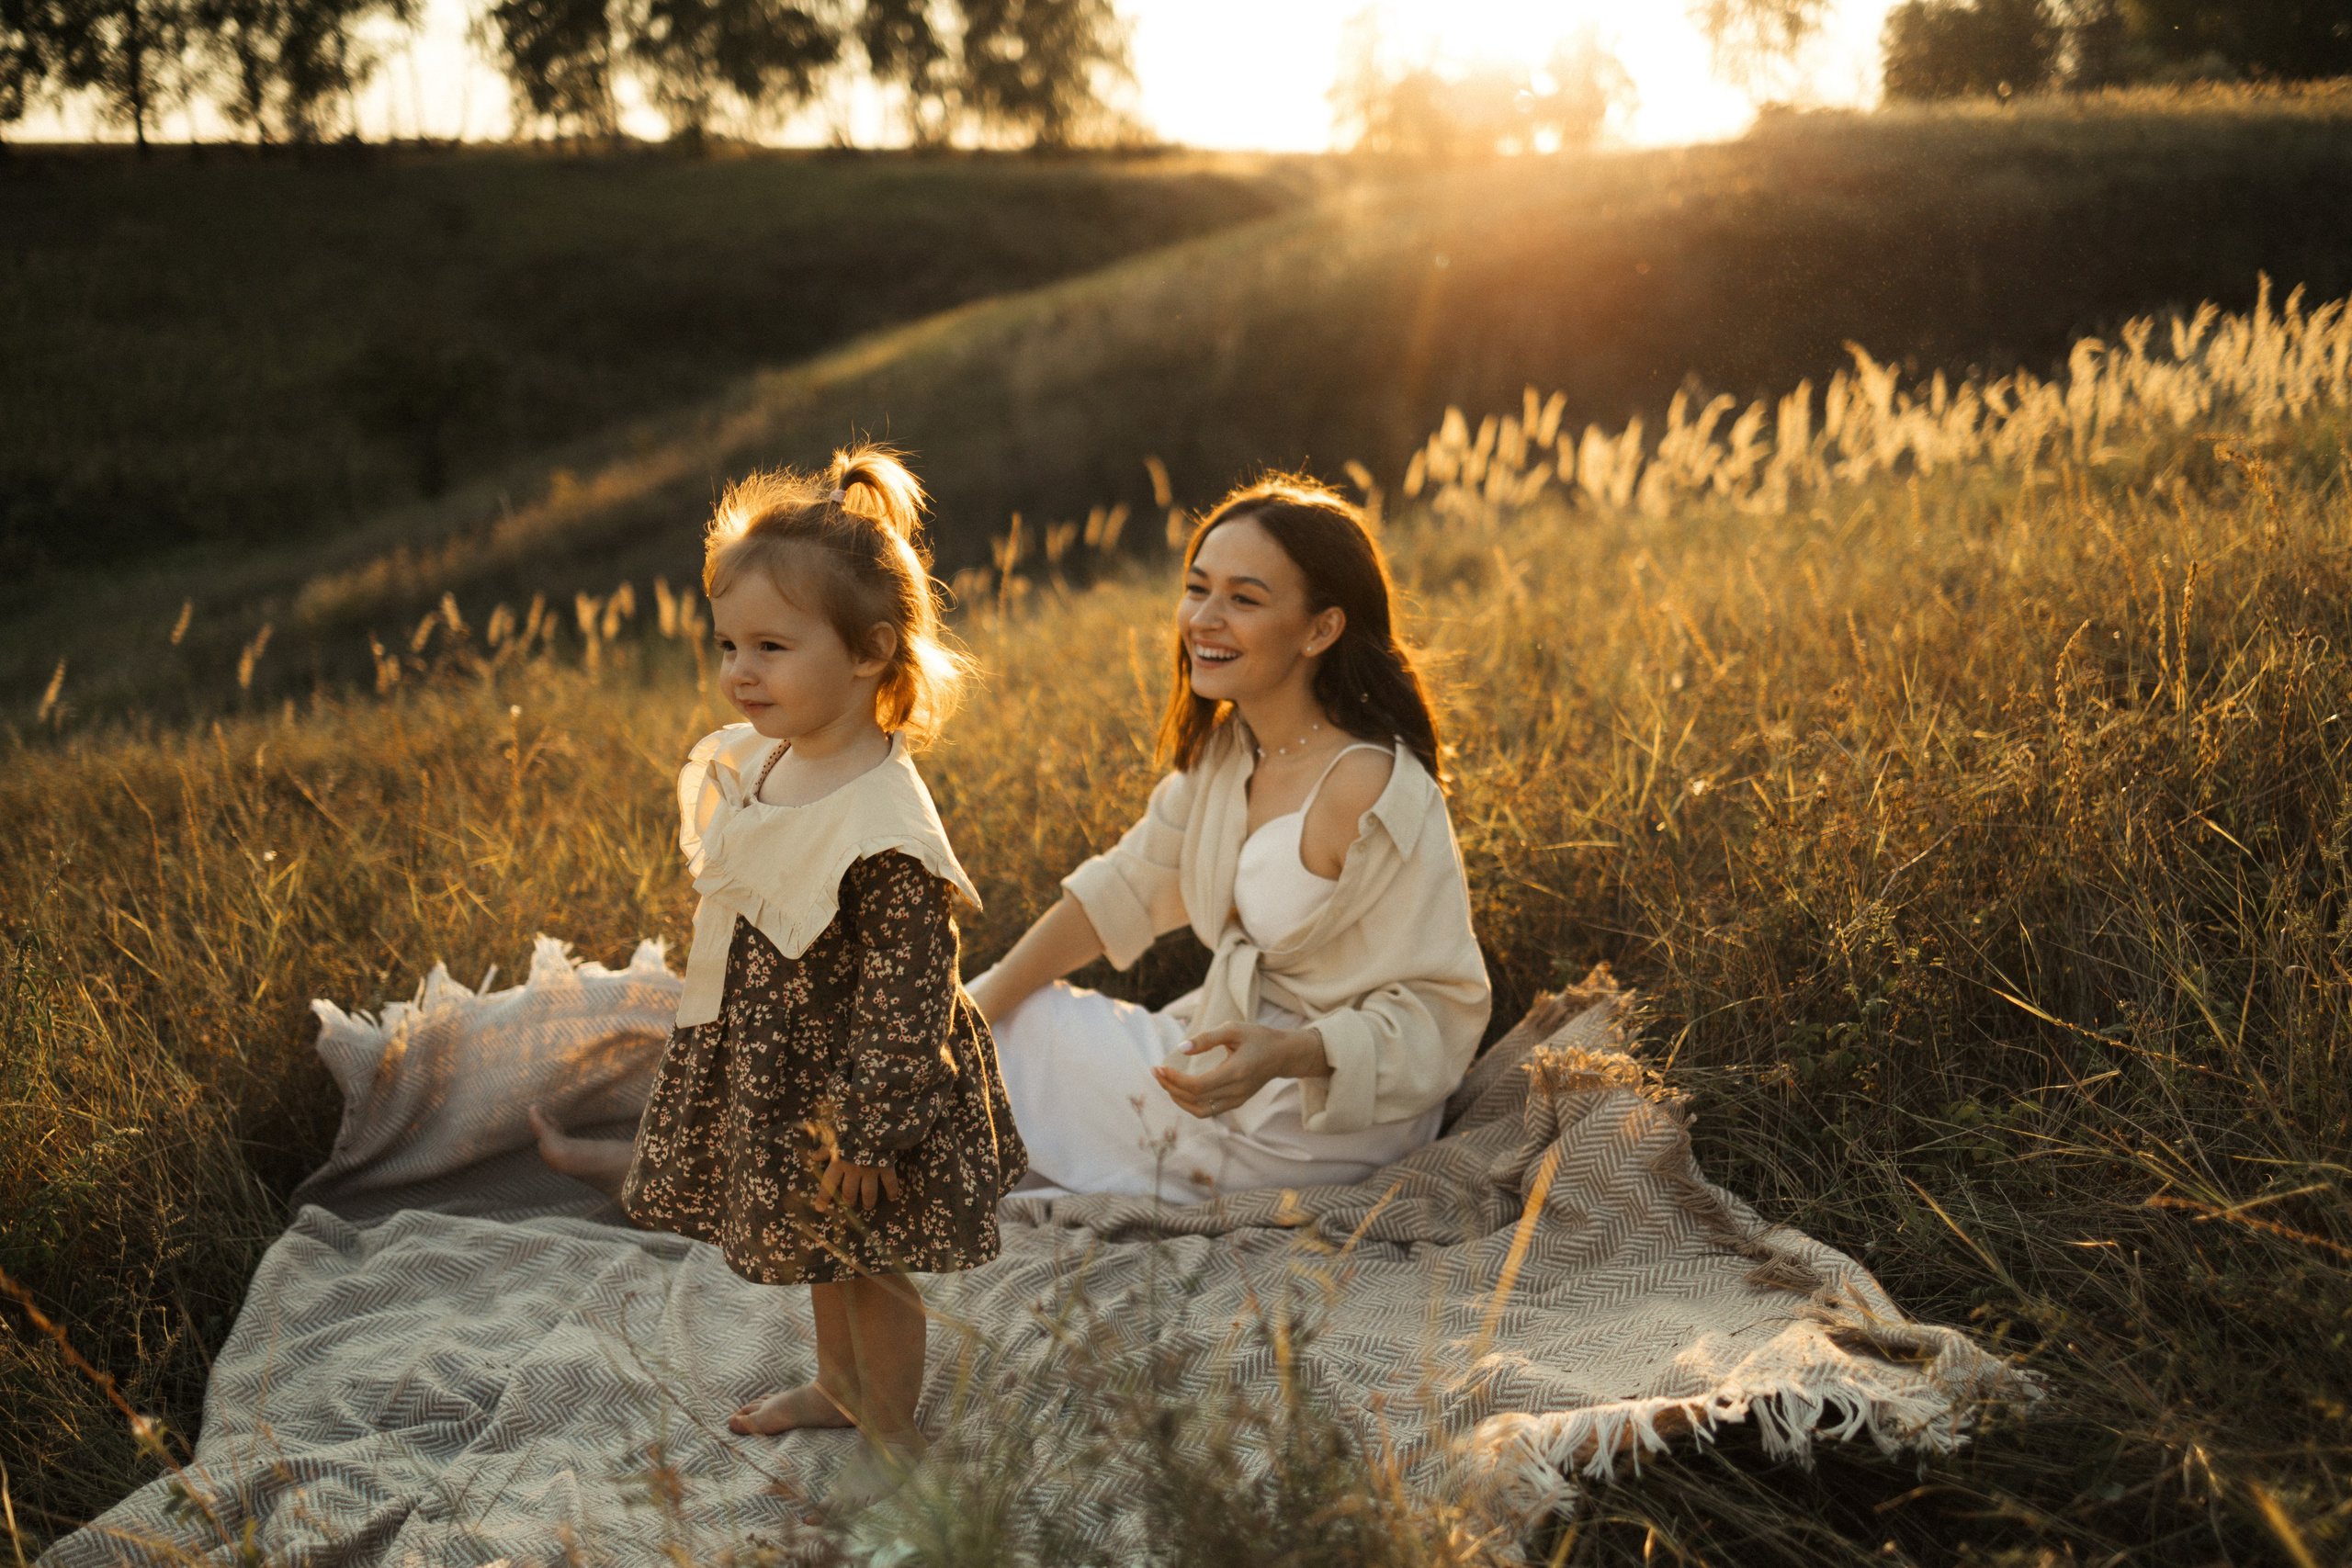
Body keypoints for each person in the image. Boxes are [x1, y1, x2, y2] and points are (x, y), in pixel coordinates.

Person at [539, 447, 1023, 1501]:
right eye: (727, 646)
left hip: (862, 1086)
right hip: (779, 1065)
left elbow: (909, 989)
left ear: (868, 653)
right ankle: (839, 1385)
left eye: (770, 645)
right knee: (819, 1245)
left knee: (869, 1255)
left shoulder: (885, 820)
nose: (739, 672)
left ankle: (889, 1421)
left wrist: (871, 1124)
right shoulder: (760, 760)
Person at [963, 476, 1489, 1202]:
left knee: (1021, 1045)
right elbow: (1119, 891)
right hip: (1232, 1059)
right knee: (998, 1024)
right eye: (1197, 588)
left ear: (1320, 629)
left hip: (1324, 1113)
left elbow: (1441, 1005)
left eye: (1244, 599)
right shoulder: (1228, 755)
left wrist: (1290, 1053)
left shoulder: (1365, 787)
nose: (1204, 619)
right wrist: (970, 1007)